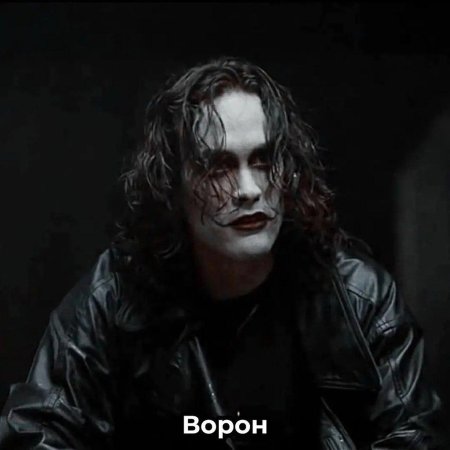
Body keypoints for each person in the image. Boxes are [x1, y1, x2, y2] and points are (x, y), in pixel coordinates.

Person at [0, 57, 441, 449]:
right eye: (219, 167)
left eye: (264, 160)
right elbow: (38, 432)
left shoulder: (359, 298)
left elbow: (413, 436)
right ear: (173, 188)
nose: (249, 190)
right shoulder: (114, 299)